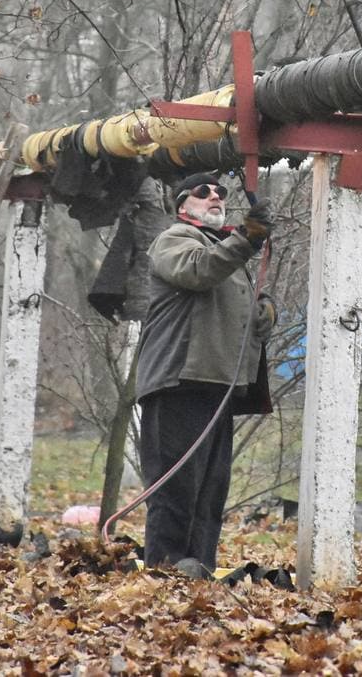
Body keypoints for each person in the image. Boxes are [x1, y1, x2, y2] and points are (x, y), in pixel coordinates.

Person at [134, 171, 276, 572]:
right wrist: (247, 238)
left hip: (216, 386)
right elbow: (198, 271)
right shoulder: (175, 240)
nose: (215, 197)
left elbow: (235, 301)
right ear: (182, 206)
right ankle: (165, 578)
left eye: (220, 193)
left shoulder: (226, 249)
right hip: (179, 381)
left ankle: (198, 576)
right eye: (202, 192)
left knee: (209, 495)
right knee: (175, 492)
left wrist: (266, 311)